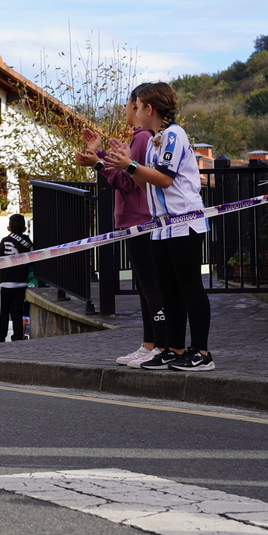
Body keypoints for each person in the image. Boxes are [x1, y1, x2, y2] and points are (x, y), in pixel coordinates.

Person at [104, 82, 214, 371]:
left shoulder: (174, 135)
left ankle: (202, 353)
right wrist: (126, 165)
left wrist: (130, 165)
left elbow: (165, 179)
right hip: (161, 225)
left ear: (149, 109)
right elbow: (146, 185)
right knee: (168, 290)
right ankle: (174, 349)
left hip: (184, 223)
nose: (135, 111)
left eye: (138, 106)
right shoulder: (156, 139)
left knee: (190, 287)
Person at [76, 85, 168, 368]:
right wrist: (100, 154)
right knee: (145, 286)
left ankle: (158, 345)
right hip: (139, 221)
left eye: (132, 104)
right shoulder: (143, 137)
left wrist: (98, 163)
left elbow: (129, 181)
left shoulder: (142, 137)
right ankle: (150, 345)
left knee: (149, 286)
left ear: (140, 107)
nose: (130, 110)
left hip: (140, 220)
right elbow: (124, 169)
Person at [0, 213, 32, 343]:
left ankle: (0, 338)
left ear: (8, 228)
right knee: (17, 312)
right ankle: (17, 337)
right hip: (21, 283)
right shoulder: (28, 243)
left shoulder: (5, 241)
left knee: (2, 313)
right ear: (24, 228)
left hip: (5, 283)